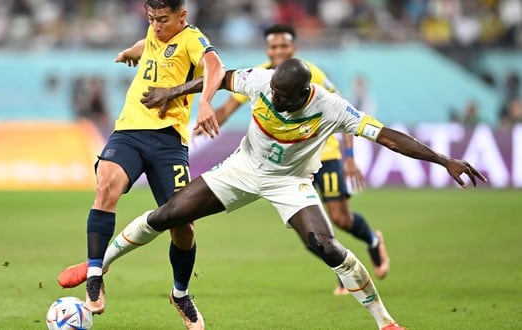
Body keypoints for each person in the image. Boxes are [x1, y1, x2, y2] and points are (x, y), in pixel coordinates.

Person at [65, 59, 486, 329]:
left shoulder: (331, 107)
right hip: (242, 169)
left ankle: (386, 322)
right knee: (168, 215)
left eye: (287, 99)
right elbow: (220, 78)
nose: (279, 103)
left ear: (305, 94)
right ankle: (98, 268)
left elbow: (388, 137)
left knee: (327, 246)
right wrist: (172, 92)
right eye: (276, 97)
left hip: (291, 182)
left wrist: (443, 159)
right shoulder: (262, 81)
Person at [57, 1, 225, 328]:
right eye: (152, 19)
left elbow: (216, 67)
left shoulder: (192, 39)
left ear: (182, 16)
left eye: (163, 20)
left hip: (169, 141)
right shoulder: (153, 31)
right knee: (106, 184)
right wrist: (132, 51)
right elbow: (147, 45)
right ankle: (95, 276)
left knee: (183, 225)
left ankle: (180, 293)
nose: (157, 26)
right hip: (129, 131)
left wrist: (204, 102)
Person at [194, 24, 388, 296]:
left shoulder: (311, 73)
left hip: (325, 153)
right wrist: (206, 122)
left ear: (293, 48)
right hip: (287, 164)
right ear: (267, 49)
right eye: (273, 46)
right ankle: (342, 271)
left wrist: (348, 158)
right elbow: (227, 107)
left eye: (284, 46)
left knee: (340, 218)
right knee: (308, 234)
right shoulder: (261, 76)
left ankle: (372, 239)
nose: (278, 51)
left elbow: (345, 113)